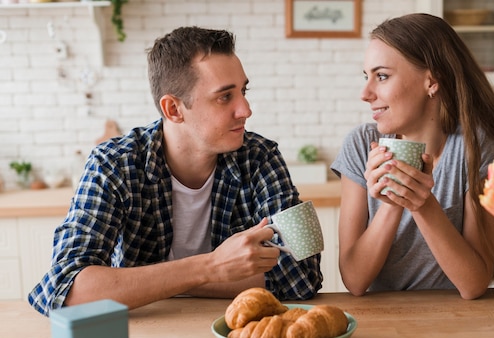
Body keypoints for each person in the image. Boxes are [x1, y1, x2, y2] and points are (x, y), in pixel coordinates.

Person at [29, 27, 322, 316]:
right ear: (173, 109)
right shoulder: (113, 164)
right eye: (224, 97)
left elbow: (302, 274)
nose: (245, 109)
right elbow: (67, 288)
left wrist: (153, 282)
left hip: (236, 332)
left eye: (243, 91)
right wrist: (211, 267)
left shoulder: (260, 157)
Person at [330, 13, 494, 299]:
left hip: (454, 321)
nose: (365, 93)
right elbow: (355, 280)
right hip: (383, 322)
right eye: (366, 76)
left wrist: (422, 204)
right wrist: (394, 200)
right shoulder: (361, 145)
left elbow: (473, 284)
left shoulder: (477, 148)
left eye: (381, 76)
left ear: (431, 81)